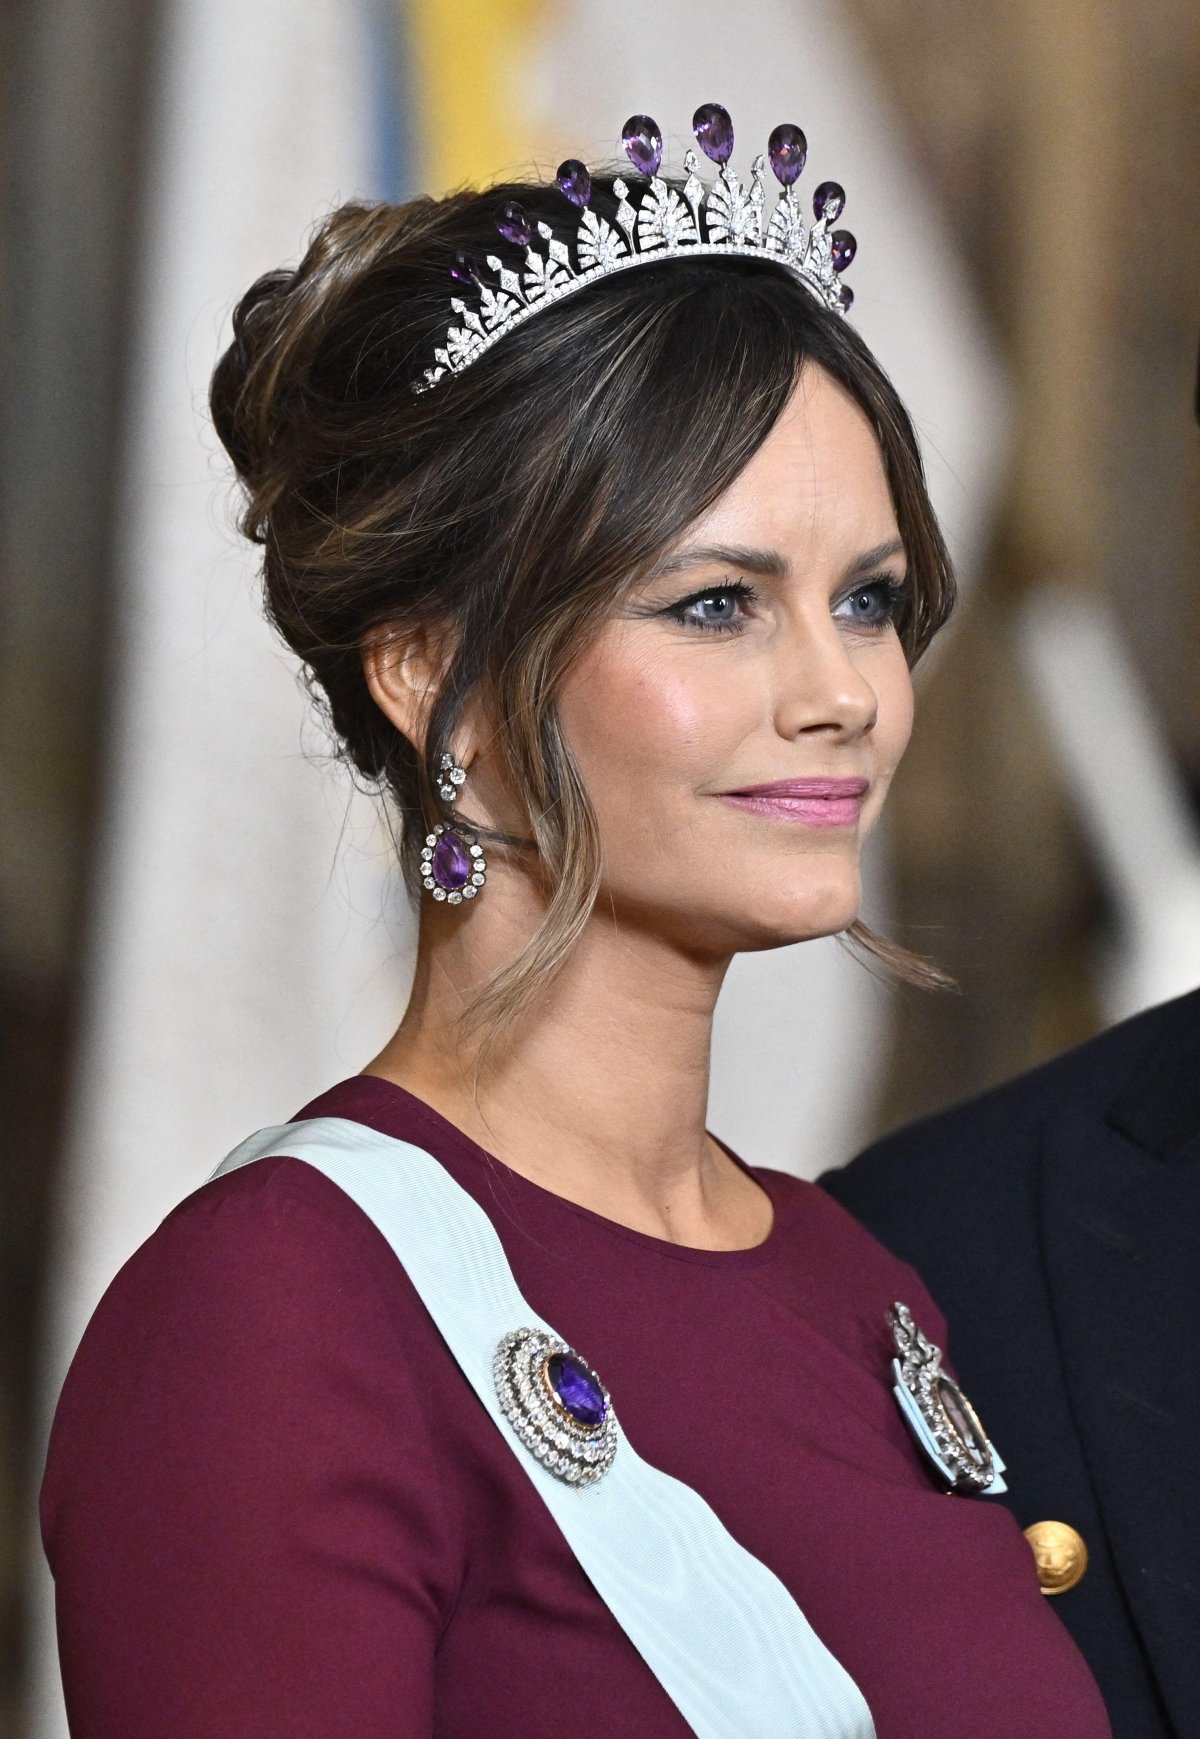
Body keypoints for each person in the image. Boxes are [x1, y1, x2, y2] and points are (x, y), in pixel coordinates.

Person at [40, 105, 1111, 1738]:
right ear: (439, 675)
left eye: (870, 600)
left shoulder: (856, 1282)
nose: (844, 691)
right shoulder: (279, 1309)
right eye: (717, 604)